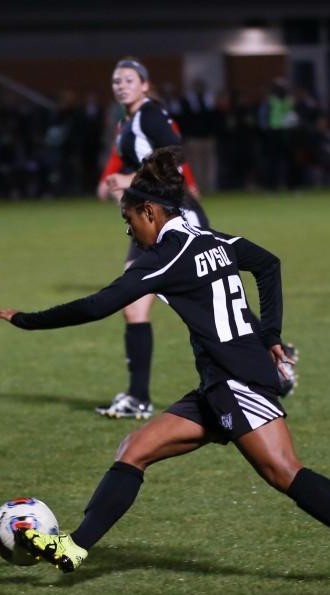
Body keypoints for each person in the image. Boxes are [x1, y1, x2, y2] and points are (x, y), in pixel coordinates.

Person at [0, 146, 330, 588]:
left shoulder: (165, 257)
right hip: (218, 383)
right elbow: (268, 265)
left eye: (129, 220)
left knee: (284, 472)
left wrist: (27, 320)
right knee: (135, 449)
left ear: (149, 212)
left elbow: (98, 305)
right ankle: (76, 547)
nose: (130, 233)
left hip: (237, 380)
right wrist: (270, 335)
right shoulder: (214, 240)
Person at [94, 57, 206, 420]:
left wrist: (129, 181)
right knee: (134, 306)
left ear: (144, 84)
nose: (120, 85)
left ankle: (273, 356)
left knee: (209, 303)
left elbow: (174, 156)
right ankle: (138, 398)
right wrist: (121, 184)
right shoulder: (128, 120)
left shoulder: (149, 114)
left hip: (175, 220)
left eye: (128, 79)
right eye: (116, 80)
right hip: (151, 223)